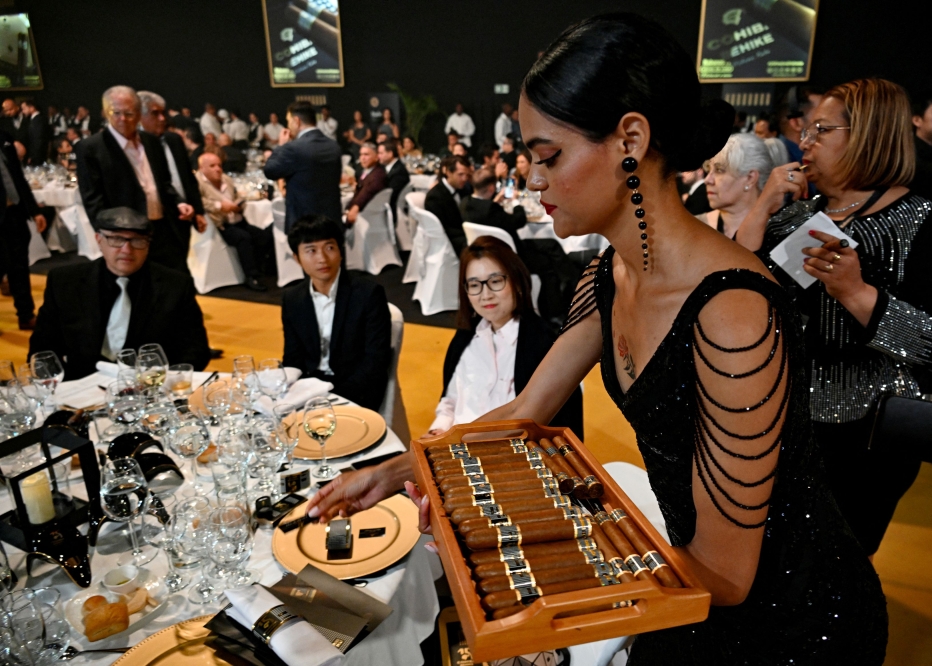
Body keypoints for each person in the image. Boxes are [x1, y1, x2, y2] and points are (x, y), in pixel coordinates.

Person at [308, 14, 888, 664]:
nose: (532, 179)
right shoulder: (606, 272)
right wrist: (405, 468)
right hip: (685, 567)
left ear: (630, 140)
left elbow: (727, 575)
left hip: (788, 615)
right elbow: (529, 410)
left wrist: (529, 556)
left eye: (548, 156)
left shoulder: (733, 314)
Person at [736, 78, 932, 559]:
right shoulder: (801, 215)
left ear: (866, 134)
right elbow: (739, 295)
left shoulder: (923, 221)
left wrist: (858, 294)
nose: (805, 142)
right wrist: (761, 207)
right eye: (807, 129)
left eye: (821, 130)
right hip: (782, 420)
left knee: (838, 565)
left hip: (869, 437)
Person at [29, 207, 210, 380]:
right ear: (99, 239)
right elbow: (42, 349)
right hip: (79, 387)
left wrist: (160, 381)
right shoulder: (65, 282)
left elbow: (196, 351)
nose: (126, 249)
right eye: (116, 239)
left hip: (148, 389)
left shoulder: (175, 285)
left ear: (148, 245)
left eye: (137, 240)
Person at [429, 236, 583, 435]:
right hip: (457, 447)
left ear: (517, 282)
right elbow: (450, 401)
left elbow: (559, 426)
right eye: (475, 285)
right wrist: (438, 429)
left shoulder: (543, 345)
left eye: (495, 281)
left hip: (514, 451)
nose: (485, 295)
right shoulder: (464, 338)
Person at [76, 85, 195, 273]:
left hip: (164, 230)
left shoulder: (151, 141)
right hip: (128, 236)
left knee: (177, 284)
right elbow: (93, 200)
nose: (122, 119)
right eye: (116, 113)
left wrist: (179, 202)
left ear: (139, 113)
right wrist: (112, 238)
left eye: (129, 113)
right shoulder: (91, 148)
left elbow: (164, 184)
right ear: (106, 113)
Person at [282, 214, 391, 411]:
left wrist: (332, 397)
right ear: (297, 258)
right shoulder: (292, 299)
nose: (322, 258)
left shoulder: (368, 294)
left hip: (356, 388)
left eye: (329, 248)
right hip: (310, 386)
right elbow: (292, 357)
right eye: (311, 251)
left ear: (340, 252)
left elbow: (375, 361)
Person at [460, 167, 577, 327]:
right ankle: (555, 311)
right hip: (510, 254)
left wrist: (497, 201)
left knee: (551, 244)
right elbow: (518, 220)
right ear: (491, 188)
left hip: (491, 250)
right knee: (548, 265)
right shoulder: (490, 210)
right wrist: (515, 201)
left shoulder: (466, 203)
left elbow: (489, 214)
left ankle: (569, 280)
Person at [138, 90, 206, 262]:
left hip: (183, 215)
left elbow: (188, 178)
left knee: (182, 265)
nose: (162, 118)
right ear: (139, 115)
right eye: (155, 114)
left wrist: (198, 211)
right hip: (157, 217)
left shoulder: (174, 139)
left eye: (163, 113)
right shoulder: (136, 146)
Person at [196, 151, 270, 291]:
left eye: (219, 165)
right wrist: (220, 206)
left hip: (237, 220)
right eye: (212, 166)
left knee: (263, 235)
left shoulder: (226, 179)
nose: (218, 169)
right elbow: (199, 203)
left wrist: (239, 204)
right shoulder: (197, 182)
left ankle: (261, 269)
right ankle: (250, 276)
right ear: (202, 168)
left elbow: (236, 195)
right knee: (243, 238)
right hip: (219, 225)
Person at [263, 101, 343, 229]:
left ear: (297, 121)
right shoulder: (334, 146)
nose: (288, 126)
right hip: (331, 220)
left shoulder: (293, 148)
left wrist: (280, 146)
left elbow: (270, 171)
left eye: (289, 121)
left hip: (304, 225)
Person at [0, 127, 47, 330]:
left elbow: (17, 176)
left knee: (19, 265)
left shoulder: (3, 137)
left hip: (14, 213)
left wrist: (34, 210)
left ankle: (26, 315)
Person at [698, 133, 775, 239]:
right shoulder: (693, 228)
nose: (707, 180)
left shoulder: (779, 231)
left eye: (719, 170)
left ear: (750, 178)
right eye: (709, 170)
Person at [424, 154, 471, 254]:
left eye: (467, 175)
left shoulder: (464, 189)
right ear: (448, 172)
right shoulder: (435, 196)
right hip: (449, 241)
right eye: (460, 174)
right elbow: (443, 229)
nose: (464, 179)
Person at [344, 143, 386, 225]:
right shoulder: (366, 171)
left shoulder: (378, 175)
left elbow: (368, 191)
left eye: (366, 154)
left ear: (376, 157)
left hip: (366, 217)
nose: (362, 158)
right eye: (361, 154)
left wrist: (355, 207)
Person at [377, 138, 410, 220]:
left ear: (390, 154)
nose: (378, 156)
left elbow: (390, 194)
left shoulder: (399, 171)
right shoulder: (386, 167)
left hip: (391, 210)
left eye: (381, 153)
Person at [20, 98, 49, 166]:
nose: (23, 112)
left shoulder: (38, 121)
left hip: (37, 157)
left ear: (31, 107)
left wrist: (32, 156)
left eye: (24, 109)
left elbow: (37, 140)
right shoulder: (37, 120)